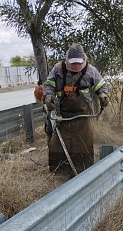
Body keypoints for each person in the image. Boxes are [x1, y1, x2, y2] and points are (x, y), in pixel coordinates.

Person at [43, 43, 109, 175]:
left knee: (83, 143)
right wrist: (48, 97)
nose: (76, 66)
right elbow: (49, 85)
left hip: (82, 115)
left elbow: (101, 86)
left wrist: (103, 95)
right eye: (73, 63)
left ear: (84, 60)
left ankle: (83, 170)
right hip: (62, 115)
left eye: (79, 63)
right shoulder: (58, 69)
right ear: (67, 60)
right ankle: (60, 171)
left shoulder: (91, 71)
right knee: (58, 145)